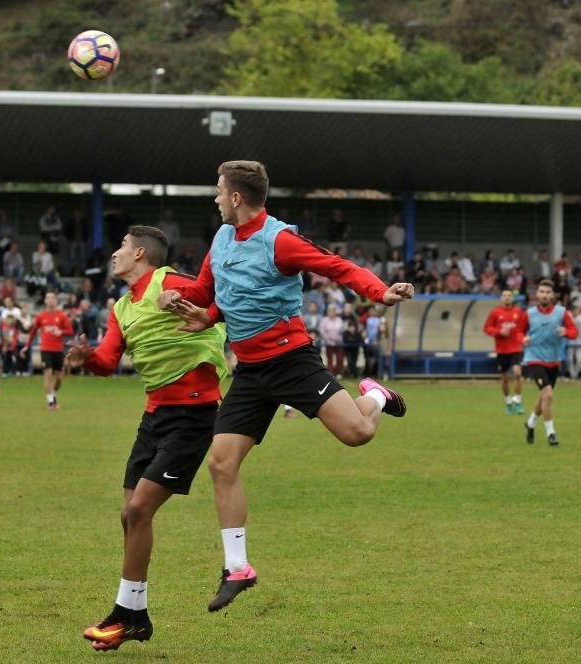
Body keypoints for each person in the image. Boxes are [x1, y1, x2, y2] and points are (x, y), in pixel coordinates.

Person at [156, 160, 413, 612]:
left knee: (358, 434)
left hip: (291, 361)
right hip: (251, 372)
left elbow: (336, 267)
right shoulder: (221, 239)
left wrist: (379, 292)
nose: (215, 197)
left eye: (219, 190)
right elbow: (209, 290)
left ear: (236, 197)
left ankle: (374, 394)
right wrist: (177, 298)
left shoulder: (280, 240)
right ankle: (238, 568)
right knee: (220, 463)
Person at [67, 226, 228, 652]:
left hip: (193, 415)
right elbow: (107, 360)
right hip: (154, 416)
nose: (114, 253)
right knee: (129, 516)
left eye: (121, 246)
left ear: (140, 253)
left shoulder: (172, 283)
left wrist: (193, 305)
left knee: (139, 509)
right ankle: (137, 617)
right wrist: (88, 360)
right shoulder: (121, 307)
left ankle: (123, 615)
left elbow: (222, 300)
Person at [517, 280, 578, 446]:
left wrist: (566, 331)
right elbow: (518, 331)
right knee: (549, 394)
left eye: (547, 292)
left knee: (543, 397)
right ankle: (551, 433)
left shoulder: (562, 312)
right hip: (534, 358)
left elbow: (574, 332)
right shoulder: (528, 314)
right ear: (536, 294)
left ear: (553, 295)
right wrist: (523, 338)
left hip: (554, 360)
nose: (544, 294)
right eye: (541, 291)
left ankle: (530, 424)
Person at [21, 292, 73, 409]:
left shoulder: (61, 316)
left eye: (52, 298)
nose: (50, 300)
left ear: (56, 301)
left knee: (59, 377)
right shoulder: (41, 316)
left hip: (58, 350)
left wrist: (61, 332)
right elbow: (33, 331)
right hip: (45, 349)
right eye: (47, 298)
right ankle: (50, 402)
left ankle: (53, 394)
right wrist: (27, 345)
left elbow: (70, 331)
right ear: (45, 301)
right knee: (48, 374)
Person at [483, 290, 525, 414]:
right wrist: (499, 331)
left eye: (509, 296)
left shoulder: (518, 312)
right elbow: (487, 328)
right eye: (504, 296)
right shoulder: (496, 312)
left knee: (517, 373)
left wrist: (523, 338)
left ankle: (517, 402)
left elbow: (522, 328)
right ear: (501, 298)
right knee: (505, 379)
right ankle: (508, 403)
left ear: (512, 298)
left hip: (516, 348)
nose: (507, 298)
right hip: (502, 350)